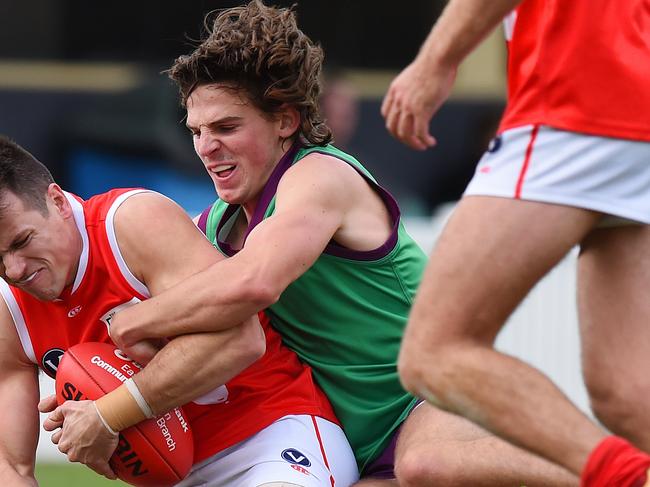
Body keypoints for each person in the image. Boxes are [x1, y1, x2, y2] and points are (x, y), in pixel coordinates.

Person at [104, 2, 578, 485]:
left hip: (431, 396)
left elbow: (254, 282)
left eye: (226, 127)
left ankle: (615, 472)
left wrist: (131, 324)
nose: (206, 147)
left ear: (285, 120)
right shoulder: (214, 227)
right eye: (197, 132)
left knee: (428, 463)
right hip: (359, 444)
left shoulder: (319, 175)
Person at [381, 0, 650, 485]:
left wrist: (435, 62)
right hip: (635, 102)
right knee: (625, 393)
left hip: (573, 97)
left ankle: (627, 479)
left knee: (433, 353)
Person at [0, 136, 359, 486]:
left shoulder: (129, 224)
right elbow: (10, 465)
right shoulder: (9, 308)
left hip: (271, 435)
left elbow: (242, 340)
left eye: (22, 241)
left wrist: (107, 416)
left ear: (59, 201)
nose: (14, 270)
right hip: (175, 476)